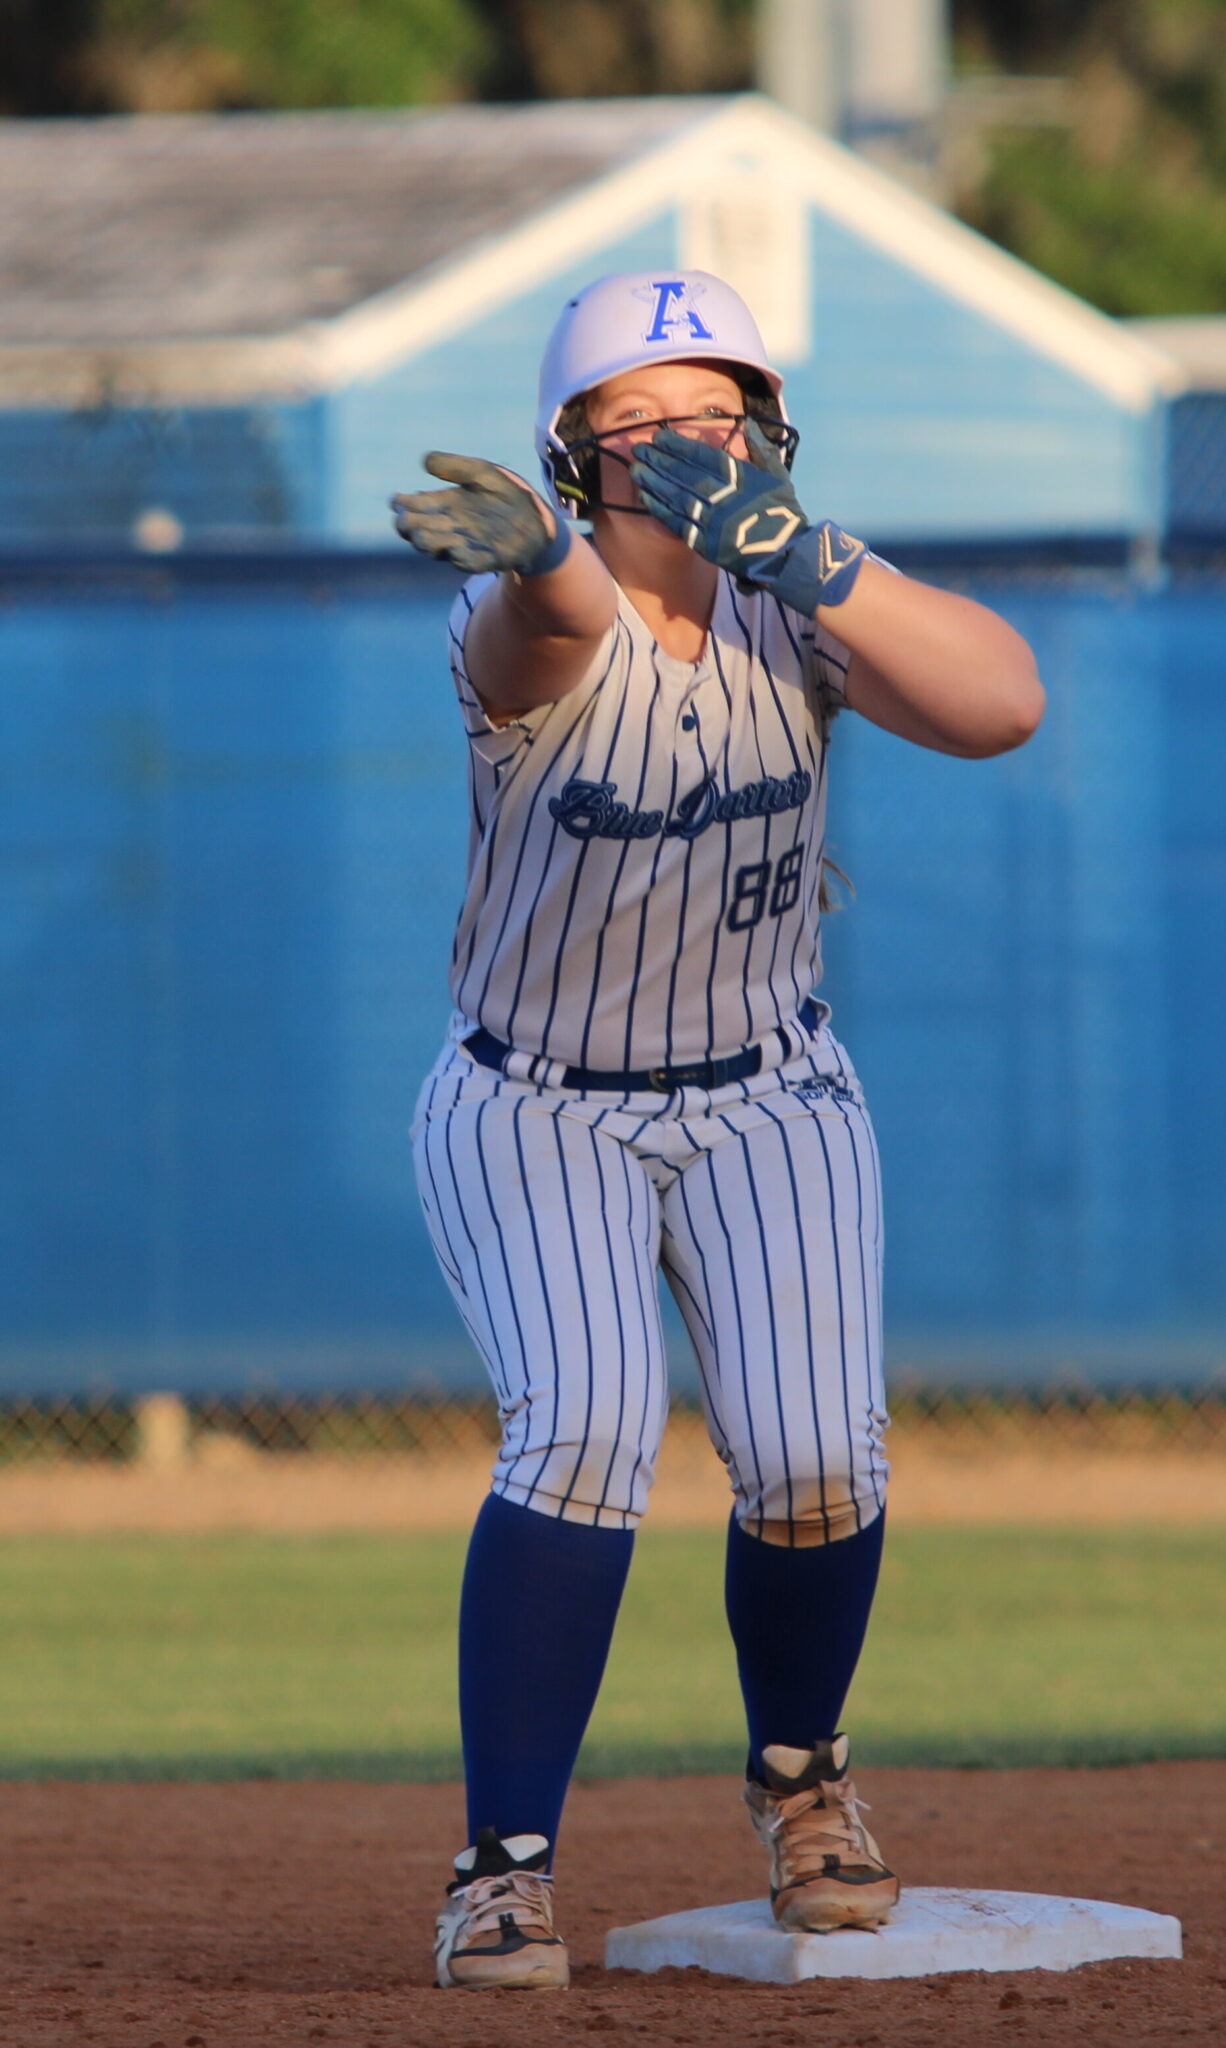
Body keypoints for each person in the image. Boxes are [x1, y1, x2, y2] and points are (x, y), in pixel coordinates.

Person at [392, 270, 1044, 1991]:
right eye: (641, 422)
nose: (687, 444)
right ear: (574, 454)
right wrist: (538, 551)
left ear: (765, 431)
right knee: (588, 1429)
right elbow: (536, 630)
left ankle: (803, 1784)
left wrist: (812, 554)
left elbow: (999, 704)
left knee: (818, 1456)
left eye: (717, 413)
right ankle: (503, 1865)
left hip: (767, 1090)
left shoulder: (805, 604)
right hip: (536, 1104)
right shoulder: (529, 613)